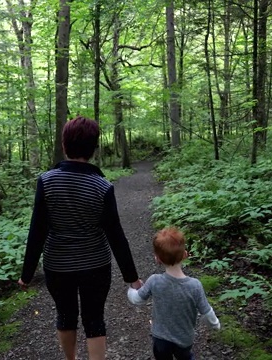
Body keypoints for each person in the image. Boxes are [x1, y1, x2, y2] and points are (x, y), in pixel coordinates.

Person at [18, 116, 143, 360]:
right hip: (96, 264)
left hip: (58, 265)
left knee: (65, 315)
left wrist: (27, 274)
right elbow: (115, 234)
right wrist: (132, 277)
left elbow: (37, 231)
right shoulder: (102, 186)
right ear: (94, 149)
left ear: (64, 145)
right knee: (94, 319)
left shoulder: (46, 181)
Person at [127, 227, 220, 360]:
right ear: (185, 255)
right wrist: (215, 324)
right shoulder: (194, 285)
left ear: (157, 259)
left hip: (160, 338)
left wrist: (132, 289)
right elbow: (207, 311)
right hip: (184, 339)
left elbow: (137, 299)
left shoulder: (154, 281)